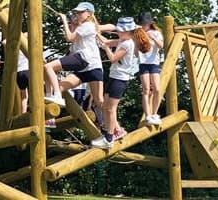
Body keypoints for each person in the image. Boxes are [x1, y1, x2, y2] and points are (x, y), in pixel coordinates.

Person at [42, 2, 114, 148]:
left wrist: (63, 20)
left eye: (80, 13)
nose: (77, 15)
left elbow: (69, 37)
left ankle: (112, 129)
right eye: (76, 13)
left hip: (88, 63)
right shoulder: (83, 26)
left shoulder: (87, 26)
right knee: (61, 87)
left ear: (88, 14)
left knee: (99, 101)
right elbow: (75, 34)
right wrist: (71, 22)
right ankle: (50, 115)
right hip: (83, 69)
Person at [100, 17, 151, 140]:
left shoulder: (127, 44)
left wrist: (106, 48)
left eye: (120, 30)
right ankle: (115, 130)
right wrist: (97, 34)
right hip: (114, 77)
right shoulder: (123, 40)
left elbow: (113, 59)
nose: (117, 32)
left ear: (128, 32)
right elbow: (107, 41)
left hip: (120, 80)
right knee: (106, 107)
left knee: (111, 109)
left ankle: (110, 136)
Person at [137, 12, 164, 125]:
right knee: (146, 89)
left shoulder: (156, 33)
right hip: (143, 63)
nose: (144, 25)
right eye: (142, 24)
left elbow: (161, 46)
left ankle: (154, 113)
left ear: (150, 23)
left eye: (145, 23)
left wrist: (152, 37)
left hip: (154, 63)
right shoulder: (138, 34)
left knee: (157, 89)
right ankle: (148, 115)